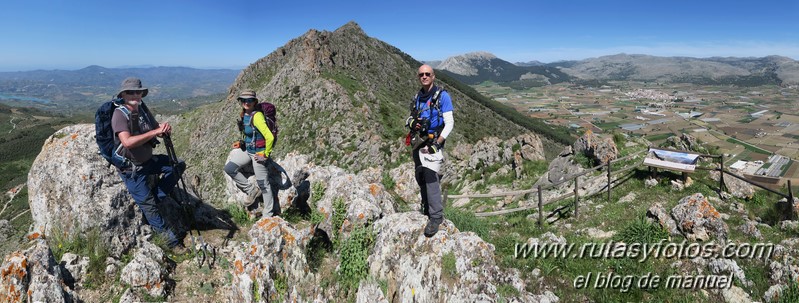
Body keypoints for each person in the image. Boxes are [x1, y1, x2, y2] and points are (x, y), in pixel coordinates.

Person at [111, 77, 187, 253]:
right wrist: (155, 131)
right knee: (150, 208)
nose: (135, 95)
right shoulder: (119, 115)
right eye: (130, 92)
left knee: (178, 165)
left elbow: (155, 128)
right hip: (132, 169)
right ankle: (173, 243)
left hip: (148, 162)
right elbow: (127, 142)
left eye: (138, 92)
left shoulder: (142, 109)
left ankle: (154, 197)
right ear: (123, 94)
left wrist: (163, 128)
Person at [406, 65, 454, 237]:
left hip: (433, 141)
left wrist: (438, 143)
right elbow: (410, 116)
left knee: (431, 176)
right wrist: (411, 123)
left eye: (427, 74)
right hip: (419, 141)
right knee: (421, 175)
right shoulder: (418, 96)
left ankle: (436, 217)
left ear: (433, 76)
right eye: (421, 74)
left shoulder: (443, 96)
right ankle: (426, 208)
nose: (424, 76)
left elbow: (449, 123)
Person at [223, 89, 279, 217]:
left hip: (258, 153)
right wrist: (241, 143)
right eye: (243, 100)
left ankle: (268, 214)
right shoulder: (244, 115)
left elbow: (269, 137)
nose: (246, 103)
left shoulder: (257, 116)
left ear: (255, 102)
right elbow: (250, 134)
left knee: (264, 185)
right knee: (229, 168)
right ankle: (252, 190)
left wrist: (265, 154)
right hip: (248, 150)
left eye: (249, 100)